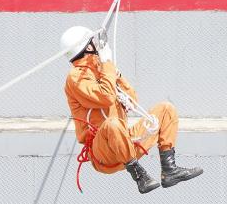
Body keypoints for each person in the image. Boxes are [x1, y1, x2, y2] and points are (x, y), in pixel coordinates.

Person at [61, 26, 203, 194]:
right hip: (104, 151)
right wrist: (107, 64)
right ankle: (139, 175)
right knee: (112, 124)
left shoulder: (102, 70)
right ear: (87, 47)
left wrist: (117, 76)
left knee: (166, 109)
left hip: (123, 143)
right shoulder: (76, 77)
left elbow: (133, 102)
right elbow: (106, 97)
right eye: (93, 41)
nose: (97, 44)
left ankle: (169, 170)